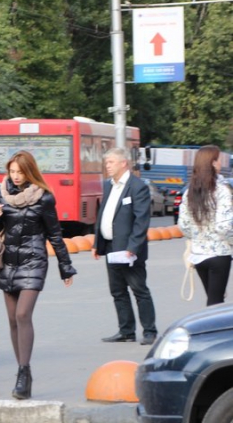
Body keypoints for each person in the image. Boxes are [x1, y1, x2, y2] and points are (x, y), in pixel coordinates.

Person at [0, 150, 76, 400]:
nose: (15, 176)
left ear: (29, 172)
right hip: (8, 262)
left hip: (34, 260)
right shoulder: (3, 194)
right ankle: (22, 372)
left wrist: (65, 266)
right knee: (12, 320)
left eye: (20, 172)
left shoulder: (44, 198)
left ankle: (23, 373)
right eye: (12, 172)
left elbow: (55, 234)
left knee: (23, 313)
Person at [93, 147, 157, 346]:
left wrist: (133, 247)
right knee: (118, 290)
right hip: (111, 247)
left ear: (123, 163)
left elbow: (141, 220)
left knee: (139, 289)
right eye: (106, 163)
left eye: (111, 162)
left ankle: (149, 331)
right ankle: (126, 330)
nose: (107, 166)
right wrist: (97, 243)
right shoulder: (108, 185)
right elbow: (104, 214)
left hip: (129, 250)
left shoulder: (137, 187)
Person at [178, 145, 233, 306]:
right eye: (217, 160)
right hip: (219, 253)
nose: (220, 164)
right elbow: (224, 226)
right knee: (216, 302)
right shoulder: (221, 191)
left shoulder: (190, 192)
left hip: (198, 255)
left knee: (212, 298)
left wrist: (197, 237)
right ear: (212, 163)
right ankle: (212, 330)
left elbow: (184, 225)